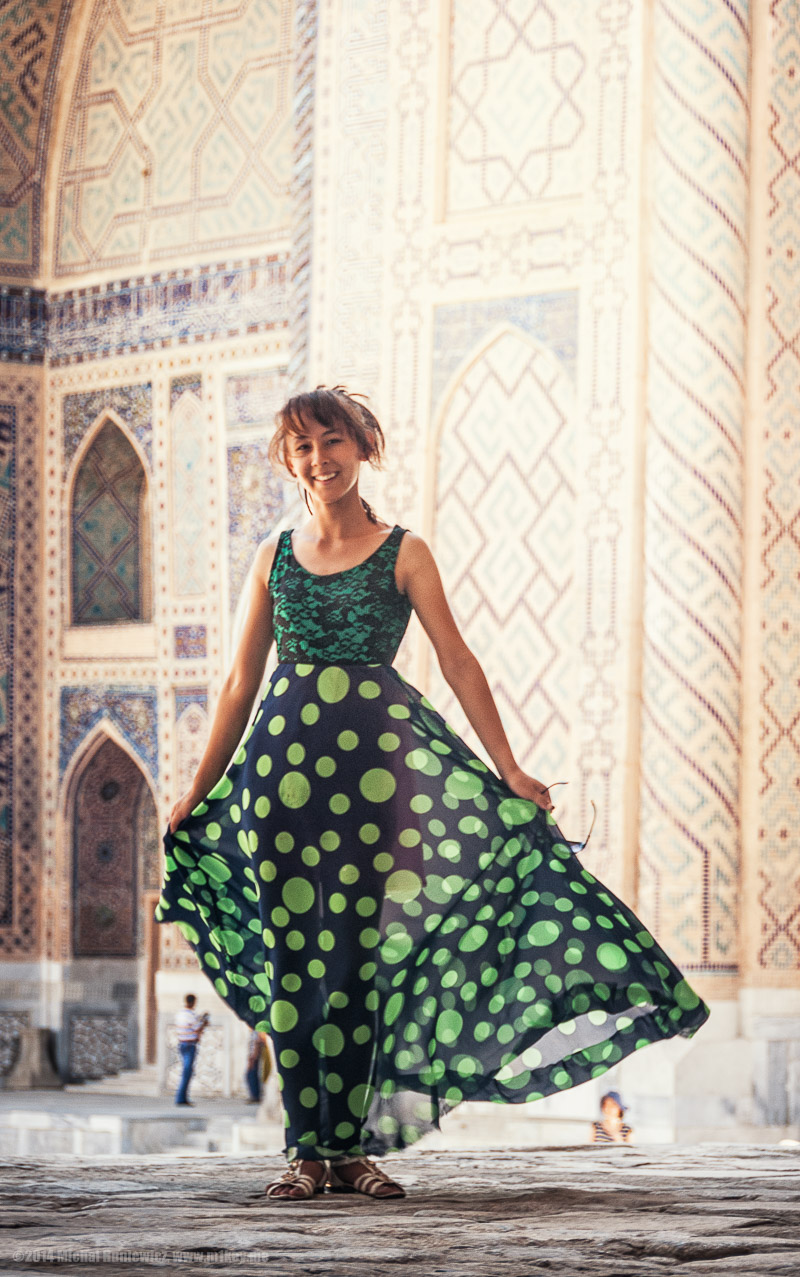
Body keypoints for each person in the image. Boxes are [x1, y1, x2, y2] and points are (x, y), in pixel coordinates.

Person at [157, 385, 709, 1201]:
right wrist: (196, 791)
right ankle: (305, 1153)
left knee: (354, 964)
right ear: (289, 460)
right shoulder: (273, 556)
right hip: (280, 782)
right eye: (304, 447)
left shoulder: (402, 551)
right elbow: (241, 682)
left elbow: (457, 662)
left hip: (376, 784)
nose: (321, 459)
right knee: (294, 963)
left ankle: (348, 1150)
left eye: (333, 441)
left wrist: (511, 769)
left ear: (364, 445)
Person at [174, 993, 208, 1106]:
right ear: (193, 1002)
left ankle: (182, 1097)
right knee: (187, 1072)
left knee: (186, 1071)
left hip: (182, 1044)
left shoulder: (180, 1014)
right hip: (189, 1046)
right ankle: (181, 1098)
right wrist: (204, 1022)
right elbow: (197, 1029)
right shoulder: (190, 1015)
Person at [245, 1029, 267, 1103]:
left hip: (254, 1055)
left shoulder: (257, 1031)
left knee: (251, 1074)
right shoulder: (255, 1031)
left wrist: (253, 1056)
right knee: (251, 1074)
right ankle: (255, 1095)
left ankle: (255, 1096)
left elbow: (257, 1043)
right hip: (253, 1054)